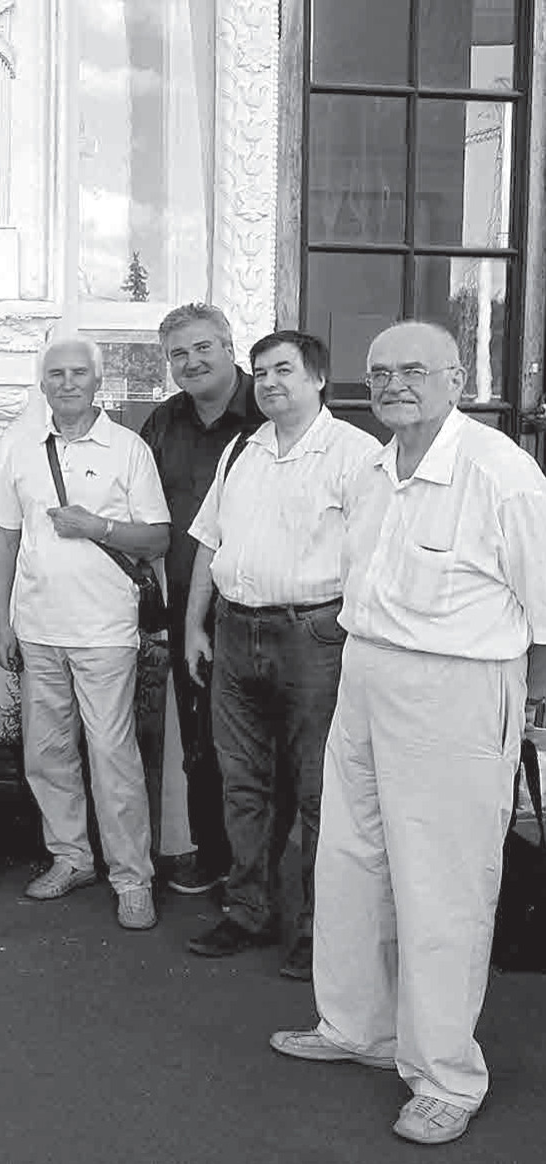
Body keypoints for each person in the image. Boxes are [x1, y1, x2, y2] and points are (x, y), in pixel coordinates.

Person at [270, 322, 546, 1147]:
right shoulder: (372, 469)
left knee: (441, 887)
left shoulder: (502, 474)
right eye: (380, 371)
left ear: (456, 379)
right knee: (350, 859)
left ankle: (445, 1076)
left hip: (456, 689)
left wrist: (520, 708)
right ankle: (358, 1027)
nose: (394, 384)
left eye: (414, 370)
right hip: (365, 673)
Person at [181, 331, 377, 979]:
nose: (268, 383)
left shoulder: (356, 454)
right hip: (234, 633)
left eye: (283, 370)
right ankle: (248, 911)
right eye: (260, 372)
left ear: (317, 378)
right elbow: (209, 542)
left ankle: (321, 929)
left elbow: (372, 559)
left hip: (315, 638)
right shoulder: (241, 449)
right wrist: (194, 626)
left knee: (320, 789)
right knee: (243, 784)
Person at [0, 334, 169, 931]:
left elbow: (158, 538)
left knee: (112, 756)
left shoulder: (129, 449)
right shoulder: (20, 449)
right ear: (43, 384)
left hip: (105, 630)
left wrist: (98, 526)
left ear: (98, 382)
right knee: (46, 754)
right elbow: (5, 539)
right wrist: (2, 622)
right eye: (56, 374)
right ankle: (71, 857)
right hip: (39, 630)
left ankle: (132, 878)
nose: (67, 383)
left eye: (78, 373)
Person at [139, 303, 267, 895]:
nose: (190, 362)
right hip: (187, 606)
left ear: (229, 347)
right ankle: (215, 858)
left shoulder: (269, 411)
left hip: (259, 609)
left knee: (260, 747)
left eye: (202, 348)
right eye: (178, 355)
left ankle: (265, 875)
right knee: (201, 742)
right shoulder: (163, 423)